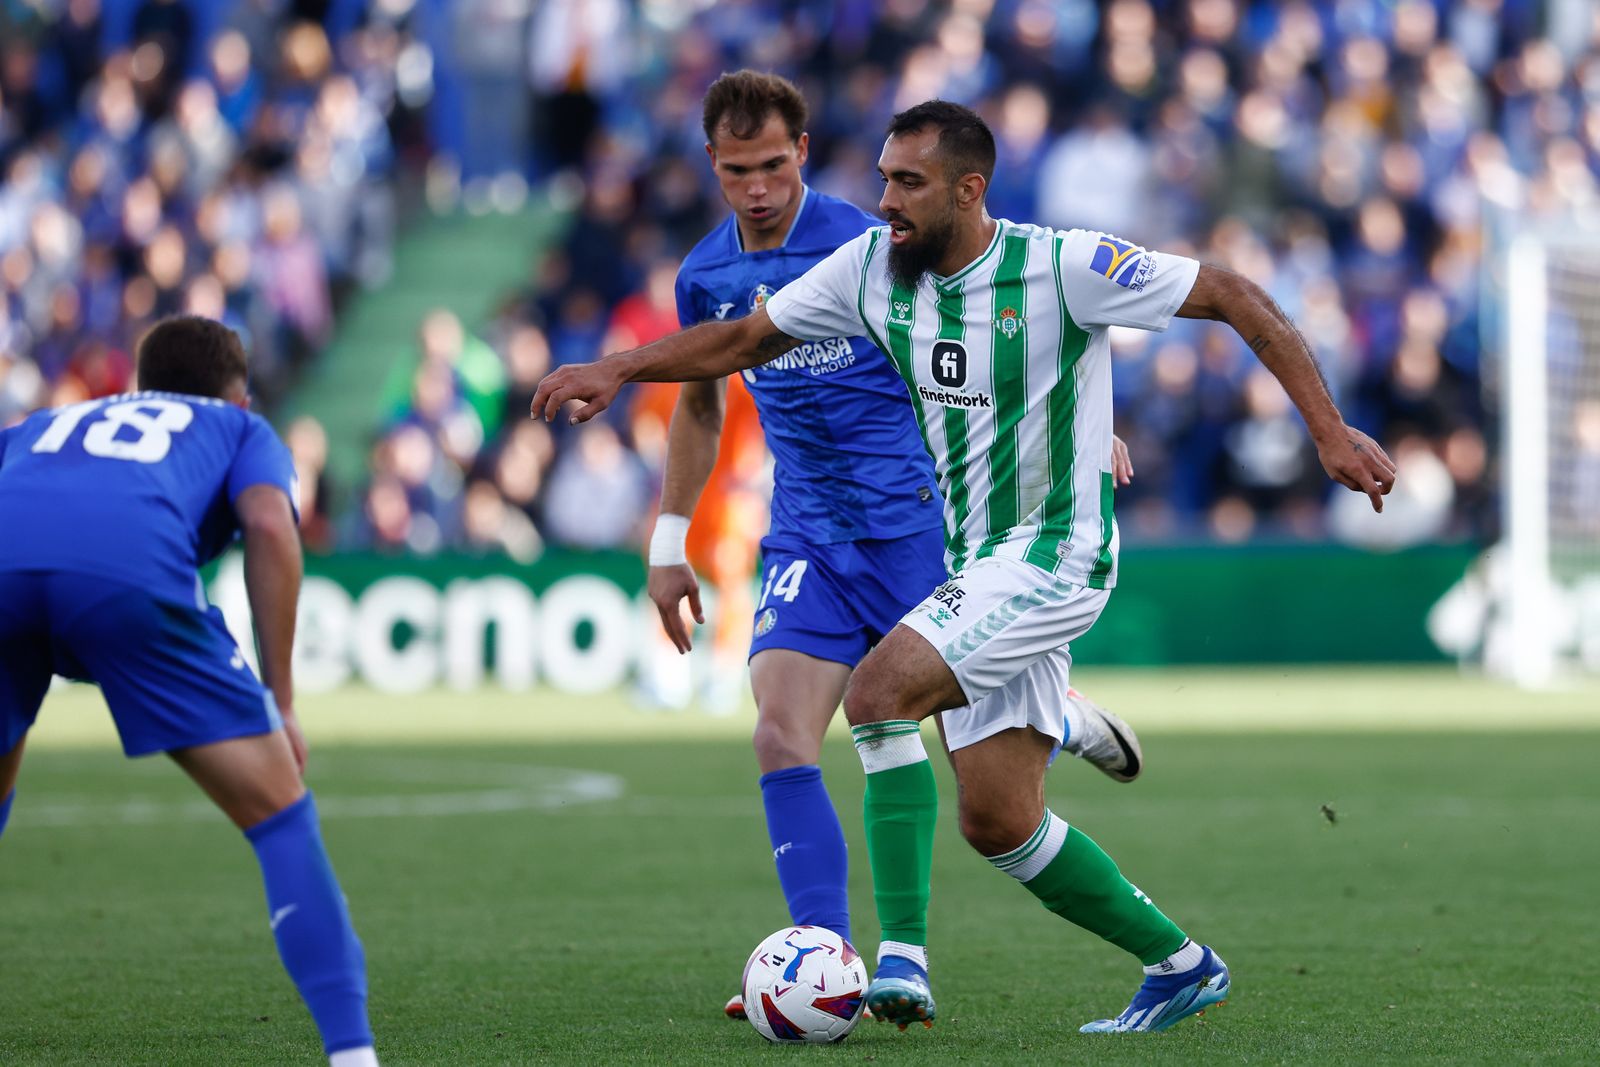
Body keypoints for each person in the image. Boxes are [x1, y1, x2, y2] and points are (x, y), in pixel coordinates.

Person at [534, 100, 1396, 1035]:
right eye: (884, 180)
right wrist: (619, 368)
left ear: (967, 190)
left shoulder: (1062, 266)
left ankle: (898, 958)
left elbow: (1231, 293)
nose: (886, 202)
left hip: (1055, 551)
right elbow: (743, 341)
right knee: (998, 819)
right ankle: (1181, 963)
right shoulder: (870, 269)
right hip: (968, 559)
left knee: (878, 692)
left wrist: (1328, 431)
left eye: (908, 184)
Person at [649, 72, 1147, 1020]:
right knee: (779, 732)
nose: (757, 187)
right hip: (809, 531)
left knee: (980, 783)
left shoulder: (874, 242)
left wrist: (1083, 426)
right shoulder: (703, 275)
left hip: (924, 522)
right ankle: (821, 960)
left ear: (802, 152)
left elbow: (995, 341)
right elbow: (701, 404)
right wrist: (669, 537)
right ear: (711, 164)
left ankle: (1053, 714)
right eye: (736, 170)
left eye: (773, 164)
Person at [0, 316, 379, 1067]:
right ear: (238, 397)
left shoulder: (46, 423)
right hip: (123, 574)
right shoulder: (239, 429)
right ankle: (353, 1056)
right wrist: (281, 700)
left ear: (142, 387)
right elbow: (270, 526)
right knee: (281, 817)